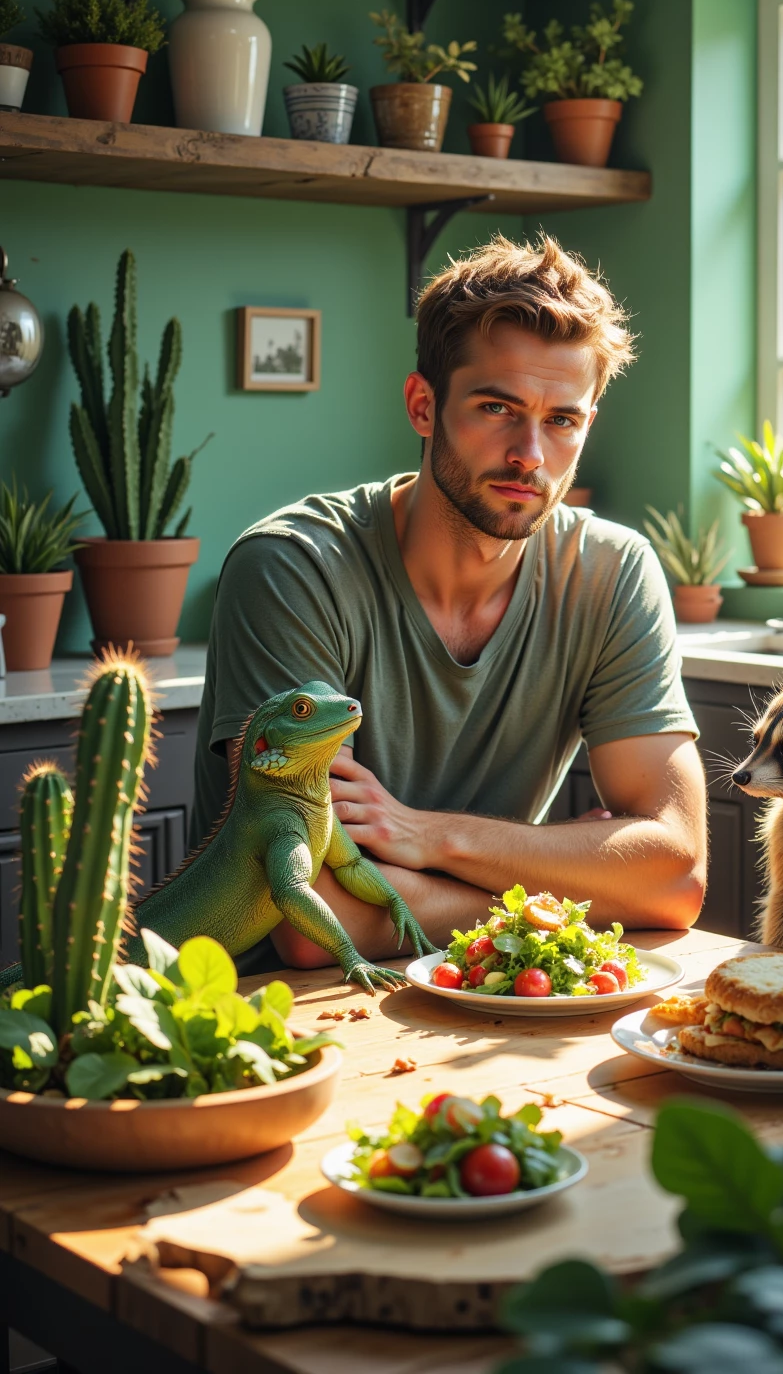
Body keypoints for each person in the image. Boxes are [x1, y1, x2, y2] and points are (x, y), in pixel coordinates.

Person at [192, 235, 707, 970]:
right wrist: (556, 890)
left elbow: (674, 877)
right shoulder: (294, 568)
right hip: (271, 1020)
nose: (530, 453)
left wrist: (431, 838)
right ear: (424, 405)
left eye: (563, 420)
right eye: (499, 407)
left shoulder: (611, 572)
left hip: (487, 996)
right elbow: (312, 926)